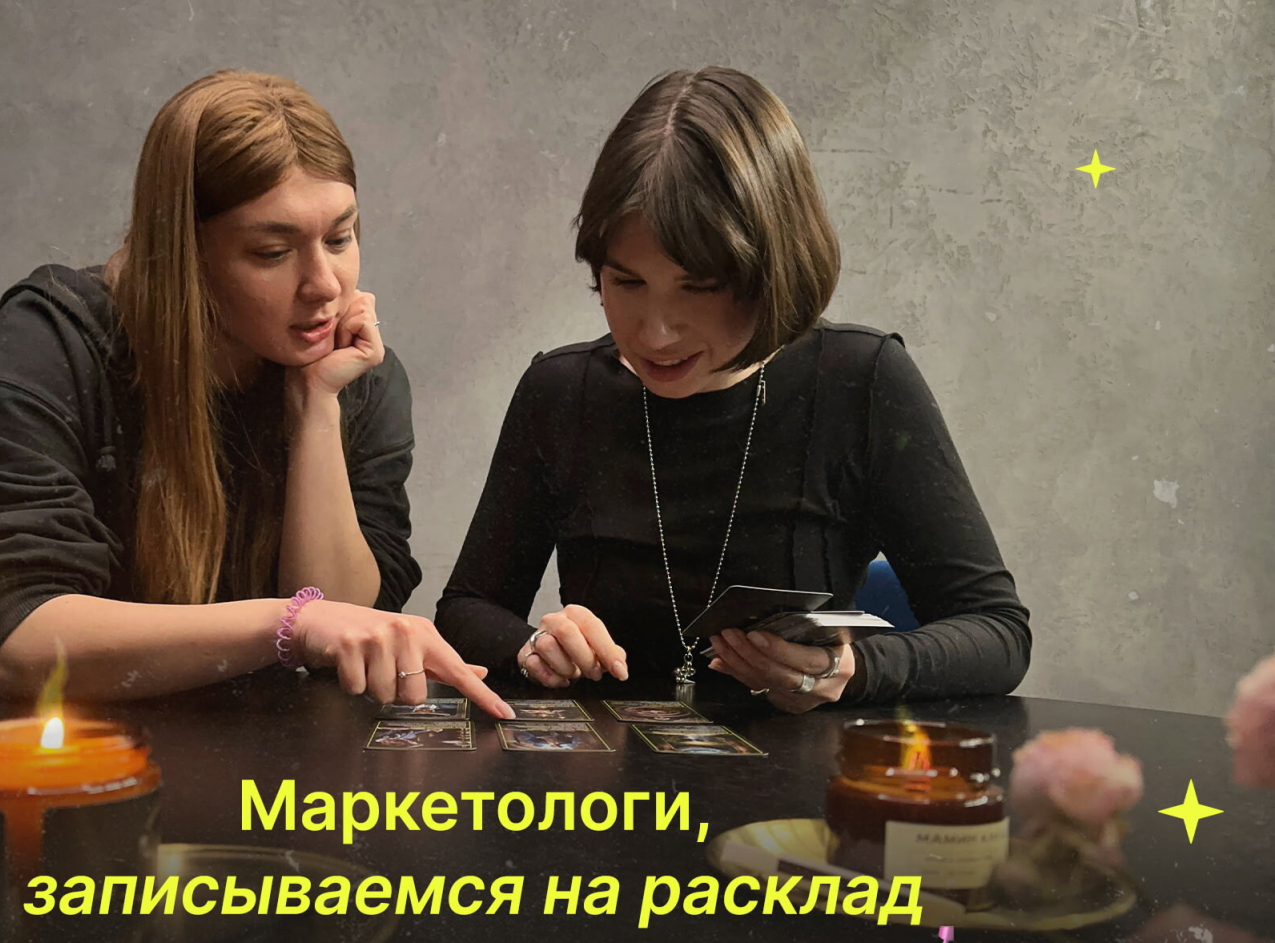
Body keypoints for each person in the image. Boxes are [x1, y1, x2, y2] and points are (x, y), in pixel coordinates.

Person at [435, 67, 1030, 712]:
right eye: (626, 283)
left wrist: (849, 671)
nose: (655, 334)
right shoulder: (561, 390)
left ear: (772, 269)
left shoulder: (860, 379)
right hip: (608, 764)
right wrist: (532, 647)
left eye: (700, 288)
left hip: (794, 767)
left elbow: (998, 634)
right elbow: (467, 608)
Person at [0, 70, 511, 718]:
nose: (324, 284)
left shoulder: (357, 377)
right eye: (272, 252)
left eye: (340, 238)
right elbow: (25, 640)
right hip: (47, 739)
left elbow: (340, 629)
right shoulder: (61, 334)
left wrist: (316, 407)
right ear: (185, 253)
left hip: (245, 746)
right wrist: (289, 624)